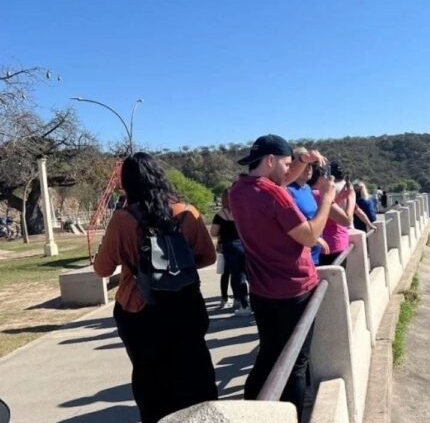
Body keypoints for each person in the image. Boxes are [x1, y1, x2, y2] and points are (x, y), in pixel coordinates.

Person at [93, 152, 217, 423]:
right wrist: (176, 268)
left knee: (151, 381)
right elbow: (208, 257)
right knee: (195, 374)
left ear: (126, 184)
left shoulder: (122, 220)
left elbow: (102, 269)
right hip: (186, 306)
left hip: (139, 309)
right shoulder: (187, 213)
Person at [229, 134, 335, 418]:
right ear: (271, 160)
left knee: (268, 356)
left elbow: (281, 181)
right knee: (296, 365)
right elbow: (310, 235)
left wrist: (301, 160)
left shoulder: (239, 190)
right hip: (294, 290)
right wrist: (327, 199)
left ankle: (251, 412)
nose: (290, 171)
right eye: (287, 164)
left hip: (262, 293)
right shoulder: (274, 194)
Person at [210, 188, 251, 316]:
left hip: (230, 246)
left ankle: (244, 304)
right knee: (249, 275)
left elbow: (213, 232)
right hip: (244, 244)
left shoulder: (220, 215)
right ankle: (254, 302)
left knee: (237, 275)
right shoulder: (243, 211)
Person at [287, 147, 330, 266]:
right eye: (305, 164)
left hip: (314, 256)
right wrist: (314, 238)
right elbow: (289, 224)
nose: (309, 168)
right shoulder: (289, 191)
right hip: (299, 258)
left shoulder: (307, 189)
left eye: (311, 165)